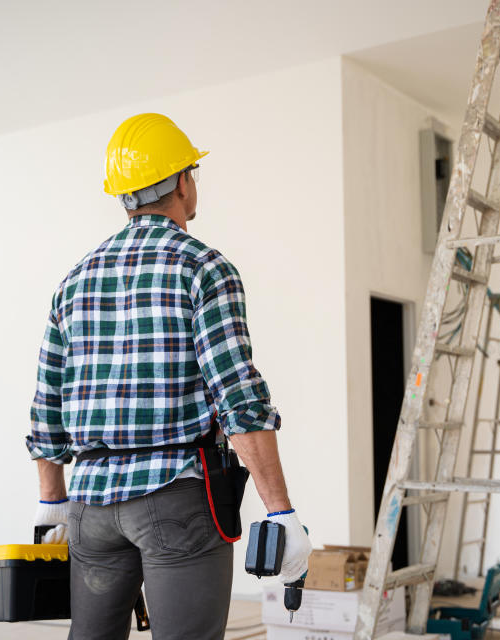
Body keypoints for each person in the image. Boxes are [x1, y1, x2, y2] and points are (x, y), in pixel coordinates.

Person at [25, 112, 312, 640]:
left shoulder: (74, 280)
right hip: (175, 498)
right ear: (182, 181)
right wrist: (281, 512)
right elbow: (239, 399)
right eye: (193, 173)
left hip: (91, 502)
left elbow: (47, 408)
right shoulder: (204, 267)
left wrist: (51, 502)